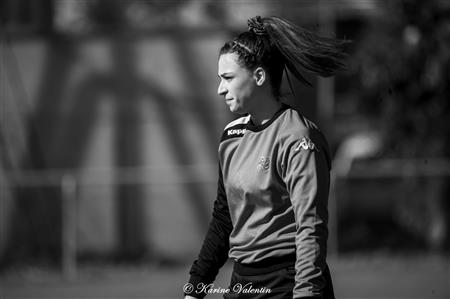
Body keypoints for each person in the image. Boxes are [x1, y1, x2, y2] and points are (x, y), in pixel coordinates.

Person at [184, 16, 347, 299]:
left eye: (228, 78)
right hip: (242, 282)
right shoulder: (230, 137)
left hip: (288, 282)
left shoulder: (298, 138)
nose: (220, 89)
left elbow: (310, 226)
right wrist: (195, 288)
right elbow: (224, 218)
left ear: (259, 77)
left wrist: (306, 292)